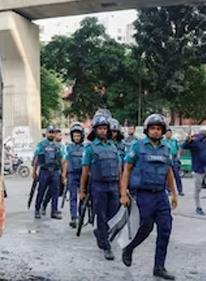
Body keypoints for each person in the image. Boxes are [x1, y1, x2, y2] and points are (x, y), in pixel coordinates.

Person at [120, 114, 178, 280]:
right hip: (143, 194)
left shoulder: (166, 149)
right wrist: (123, 193)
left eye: (159, 129)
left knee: (165, 229)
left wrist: (173, 194)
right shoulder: (137, 146)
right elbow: (127, 170)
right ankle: (129, 248)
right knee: (146, 226)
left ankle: (159, 267)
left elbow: (169, 172)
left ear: (163, 131)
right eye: (152, 128)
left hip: (161, 195)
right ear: (147, 130)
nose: (156, 131)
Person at [80, 114, 120, 261]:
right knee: (101, 216)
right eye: (100, 128)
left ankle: (100, 232)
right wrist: (82, 190)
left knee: (113, 215)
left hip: (113, 185)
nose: (103, 131)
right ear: (95, 130)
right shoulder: (90, 148)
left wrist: (122, 188)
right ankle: (106, 246)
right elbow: (85, 170)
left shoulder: (113, 146)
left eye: (105, 128)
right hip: (98, 186)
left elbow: (119, 168)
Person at [182, 128, 206, 216]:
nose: (205, 134)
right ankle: (198, 207)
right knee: (198, 189)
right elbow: (184, 146)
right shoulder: (195, 141)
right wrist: (187, 140)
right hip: (198, 169)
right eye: (204, 132)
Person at [32, 125, 66, 219]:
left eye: (53, 132)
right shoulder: (41, 145)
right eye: (50, 132)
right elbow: (36, 159)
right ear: (46, 133)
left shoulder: (58, 146)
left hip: (55, 172)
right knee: (41, 191)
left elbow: (62, 160)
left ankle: (54, 211)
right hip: (44, 171)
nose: (51, 134)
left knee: (55, 192)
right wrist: (34, 171)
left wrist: (63, 174)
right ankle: (37, 210)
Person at [65, 123, 86, 228]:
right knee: (73, 196)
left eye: (78, 135)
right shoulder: (69, 148)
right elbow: (65, 161)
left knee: (83, 196)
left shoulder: (86, 148)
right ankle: (74, 217)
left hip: (83, 175)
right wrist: (64, 176)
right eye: (75, 136)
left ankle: (81, 215)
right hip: (72, 175)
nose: (76, 138)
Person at [164, 128, 184, 196]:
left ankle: (180, 190)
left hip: (174, 158)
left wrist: (178, 156)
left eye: (169, 133)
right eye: (167, 133)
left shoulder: (174, 141)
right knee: (167, 176)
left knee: (177, 175)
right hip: (167, 159)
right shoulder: (163, 142)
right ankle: (168, 190)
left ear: (171, 134)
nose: (168, 134)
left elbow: (179, 149)